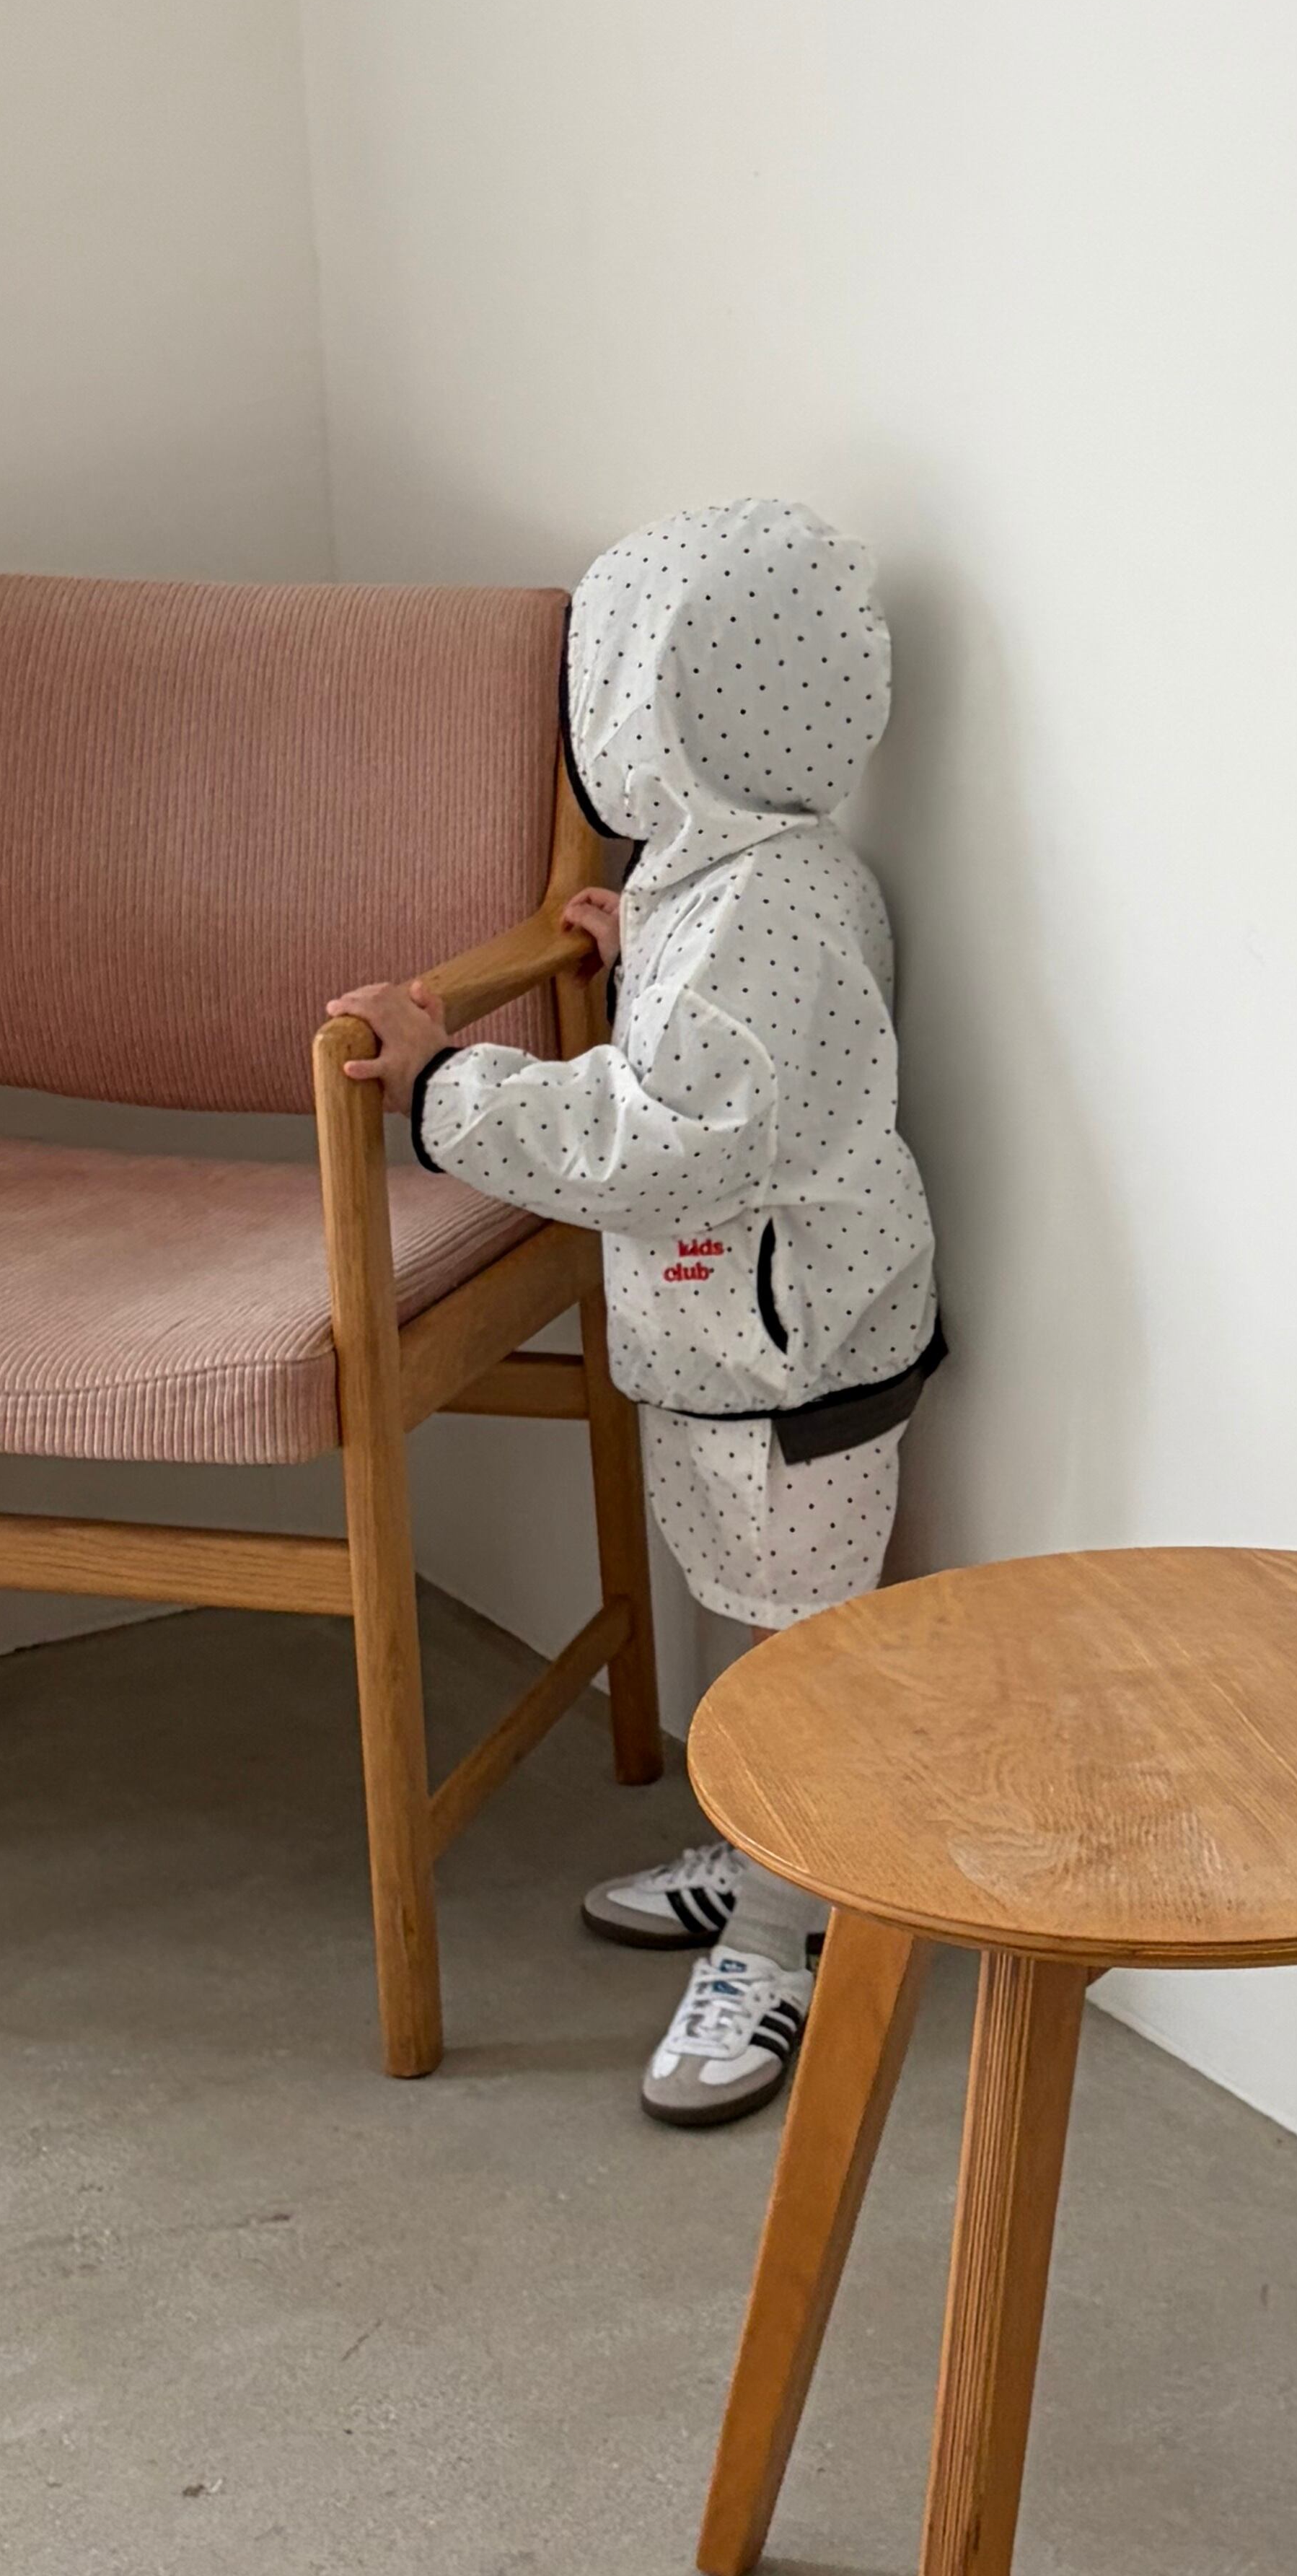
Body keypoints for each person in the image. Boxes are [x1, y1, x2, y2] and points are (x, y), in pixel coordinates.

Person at [332, 500, 939, 2125]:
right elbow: (719, 1049)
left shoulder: (773, 907)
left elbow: (674, 1134)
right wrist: (639, 943)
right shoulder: (734, 884)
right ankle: (762, 1852)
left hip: (791, 1355)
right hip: (747, 1335)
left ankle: (790, 1927)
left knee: (796, 1638)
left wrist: (450, 1089)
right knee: (752, 1603)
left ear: (657, 715)